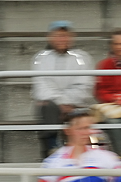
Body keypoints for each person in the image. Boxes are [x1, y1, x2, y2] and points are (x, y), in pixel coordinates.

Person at [31, 21, 94, 159]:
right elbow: (41, 86)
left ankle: (89, 154)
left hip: (76, 104)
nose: (62, 39)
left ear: (71, 37)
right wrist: (61, 103)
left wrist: (66, 103)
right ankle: (51, 152)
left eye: (65, 36)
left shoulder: (82, 58)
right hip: (53, 106)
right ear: (50, 38)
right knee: (47, 108)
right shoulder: (40, 58)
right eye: (58, 36)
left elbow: (84, 85)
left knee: (86, 116)